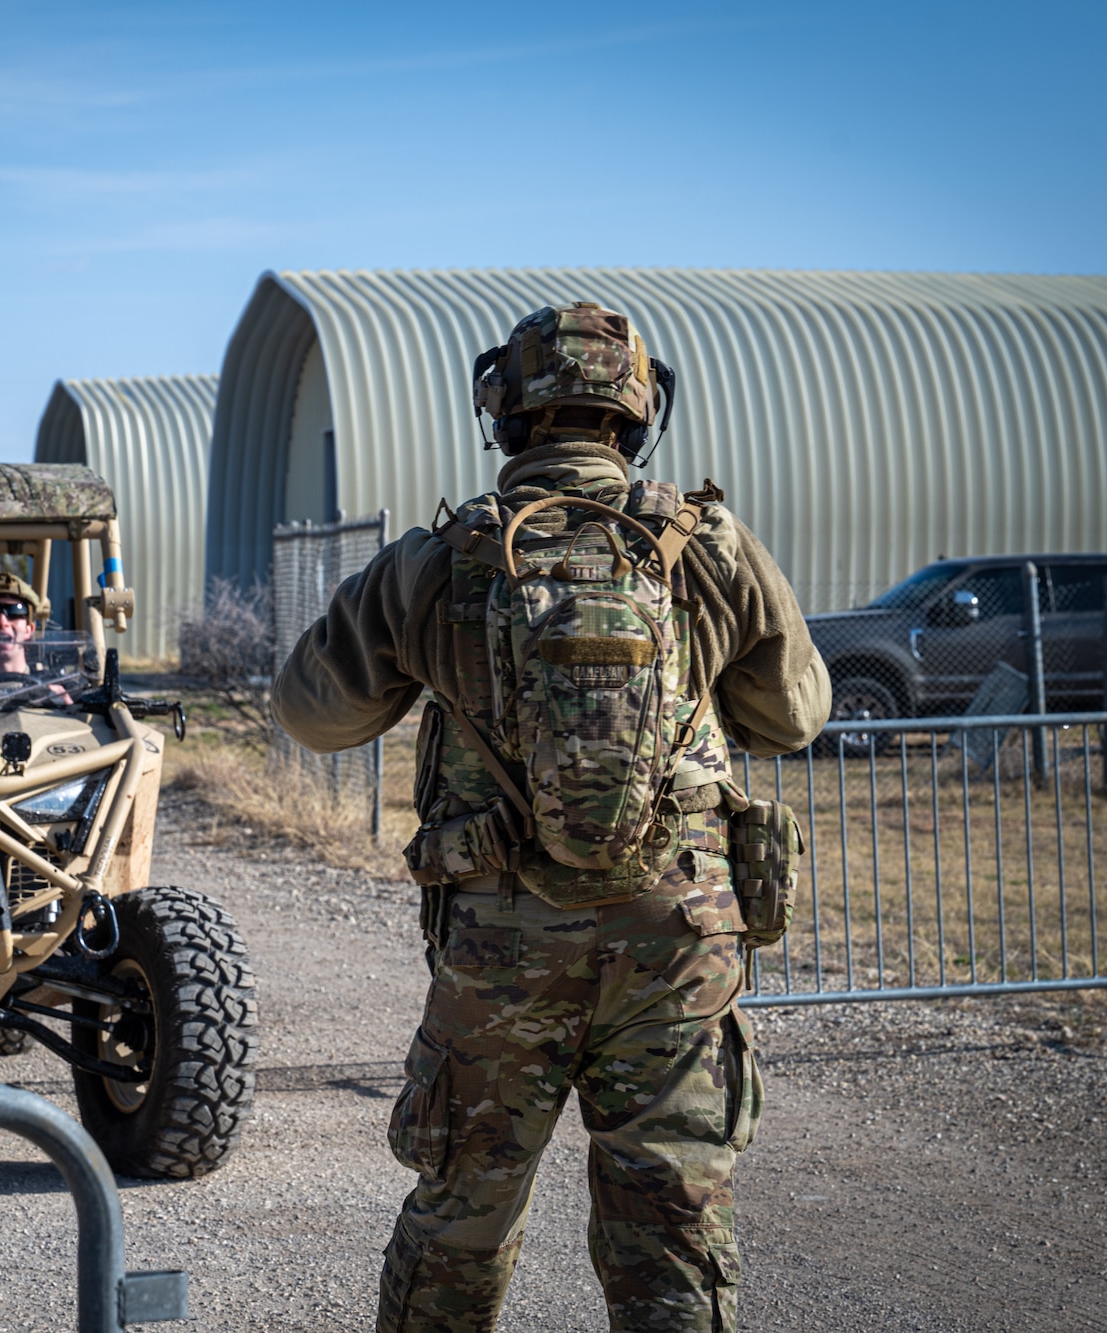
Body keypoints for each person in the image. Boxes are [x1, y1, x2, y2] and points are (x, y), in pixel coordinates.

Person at [272, 302, 829, 1332]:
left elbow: (312, 716)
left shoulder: (435, 560)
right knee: (672, 1226)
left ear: (503, 414)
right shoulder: (707, 543)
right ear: (638, 412)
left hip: (500, 943)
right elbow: (791, 717)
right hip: (674, 941)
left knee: (460, 1216)